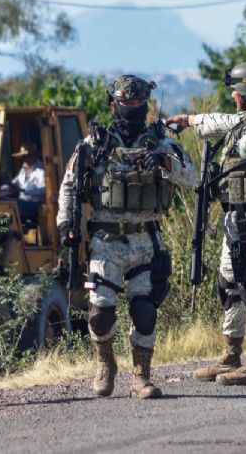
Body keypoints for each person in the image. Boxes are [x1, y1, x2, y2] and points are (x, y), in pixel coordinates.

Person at [58, 74, 197, 399]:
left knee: (144, 311)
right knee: (101, 314)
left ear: (146, 105)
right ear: (113, 104)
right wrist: (67, 224)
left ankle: (141, 377)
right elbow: (69, 185)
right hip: (105, 242)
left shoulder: (161, 141)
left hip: (146, 242)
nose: (133, 109)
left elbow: (192, 178)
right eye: (127, 103)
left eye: (139, 103)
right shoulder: (95, 144)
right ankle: (105, 365)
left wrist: (165, 162)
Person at [165, 61, 246, 386]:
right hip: (234, 217)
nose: (233, 95)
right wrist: (189, 121)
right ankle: (231, 353)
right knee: (228, 283)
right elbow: (223, 122)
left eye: (235, 90)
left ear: (245, 93)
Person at [0, 141, 45, 221]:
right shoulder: (23, 170)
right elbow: (14, 184)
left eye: (25, 156)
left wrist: (24, 191)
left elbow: (43, 189)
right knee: (1, 201)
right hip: (23, 203)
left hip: (34, 205)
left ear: (33, 156)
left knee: (13, 205)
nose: (23, 160)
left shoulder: (41, 170)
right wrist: (0, 189)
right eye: (22, 157)